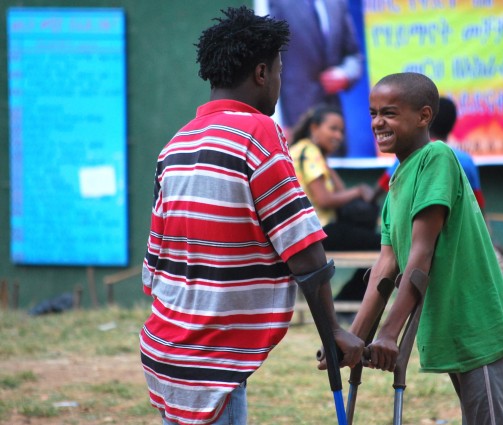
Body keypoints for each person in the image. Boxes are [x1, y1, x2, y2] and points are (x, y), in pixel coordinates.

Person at [139, 7, 363, 425]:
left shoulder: (175, 146)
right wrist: (332, 332)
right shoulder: (259, 133)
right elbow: (306, 254)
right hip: (213, 361)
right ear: (262, 73)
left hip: (169, 352)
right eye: (278, 70)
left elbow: (154, 269)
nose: (279, 81)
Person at [350, 72, 503, 424]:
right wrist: (352, 339)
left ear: (424, 116)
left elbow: (420, 255)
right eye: (373, 113)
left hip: (476, 325)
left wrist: (387, 333)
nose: (378, 122)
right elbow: (385, 267)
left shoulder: (437, 157)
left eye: (390, 113)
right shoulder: (397, 180)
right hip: (448, 324)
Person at [374, 96, 503, 273]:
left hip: (413, 242)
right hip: (454, 239)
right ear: (453, 124)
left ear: (423, 119)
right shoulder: (465, 161)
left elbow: (380, 189)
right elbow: (478, 205)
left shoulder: (408, 155)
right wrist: (490, 240)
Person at [288, 104, 381, 318]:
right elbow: (325, 199)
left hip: (310, 231)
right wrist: (358, 190)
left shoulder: (307, 151)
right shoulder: (309, 152)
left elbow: (339, 190)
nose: (338, 136)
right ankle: (345, 305)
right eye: (332, 129)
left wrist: (327, 165)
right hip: (319, 231)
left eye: (341, 131)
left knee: (373, 240)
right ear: (314, 128)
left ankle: (344, 305)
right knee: (384, 248)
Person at [268, 0, 363, 155]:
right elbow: (268, 62)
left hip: (332, 120)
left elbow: (353, 56)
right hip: (293, 122)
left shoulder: (337, 4)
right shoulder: (279, 3)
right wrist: (277, 121)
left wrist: (344, 74)